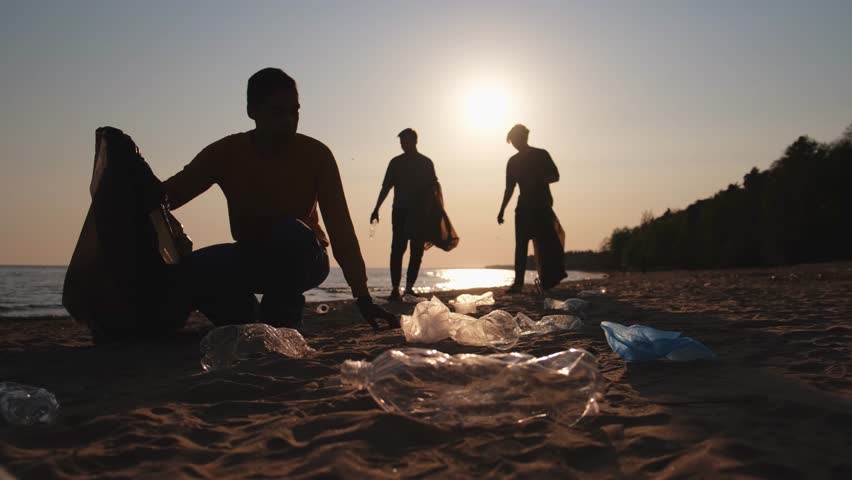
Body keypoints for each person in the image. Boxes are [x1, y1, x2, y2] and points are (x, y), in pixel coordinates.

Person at [163, 67, 397, 330]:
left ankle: (280, 328)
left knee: (290, 232)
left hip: (305, 256)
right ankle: (243, 319)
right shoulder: (226, 153)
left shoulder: (316, 155)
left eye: (294, 111)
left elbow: (340, 225)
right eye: (277, 112)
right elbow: (169, 196)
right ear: (253, 111)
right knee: (191, 268)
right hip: (251, 255)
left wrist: (362, 295)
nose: (288, 120)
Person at [497, 124, 567, 293]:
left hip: (542, 205)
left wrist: (540, 179)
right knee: (520, 245)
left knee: (547, 243)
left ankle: (548, 280)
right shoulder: (513, 161)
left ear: (524, 137)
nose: (514, 144)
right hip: (523, 207)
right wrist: (502, 210)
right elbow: (509, 188)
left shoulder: (541, 155)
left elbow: (555, 176)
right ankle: (518, 283)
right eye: (512, 141)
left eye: (515, 139)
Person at [370, 128, 437, 301]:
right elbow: (386, 187)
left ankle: (409, 288)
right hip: (400, 210)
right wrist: (376, 208)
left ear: (415, 141)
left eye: (406, 142)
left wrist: (433, 214)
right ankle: (394, 289)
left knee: (416, 251)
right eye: (401, 143)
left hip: (420, 213)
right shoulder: (395, 163)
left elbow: (433, 190)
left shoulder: (426, 163)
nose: (403, 145)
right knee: (397, 249)